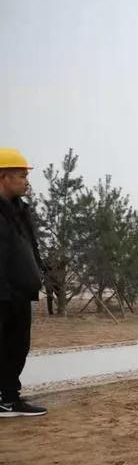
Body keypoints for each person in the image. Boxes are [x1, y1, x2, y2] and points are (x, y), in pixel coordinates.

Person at [0, 148, 47, 417]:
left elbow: (30, 247)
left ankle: (9, 398)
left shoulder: (21, 211)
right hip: (1, 293)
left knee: (17, 347)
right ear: (3, 177)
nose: (26, 181)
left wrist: (38, 273)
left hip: (19, 293)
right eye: (20, 175)